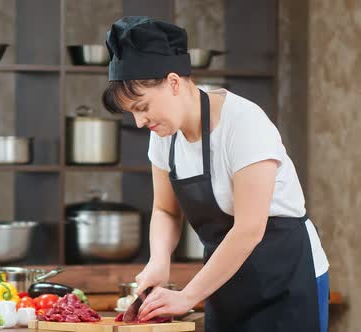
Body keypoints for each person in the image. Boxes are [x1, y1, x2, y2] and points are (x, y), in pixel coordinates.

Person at [101, 16, 329, 332]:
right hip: (224, 282)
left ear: (173, 82)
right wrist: (159, 262)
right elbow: (166, 210)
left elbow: (249, 229)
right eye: (132, 113)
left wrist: (188, 297)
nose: (140, 122)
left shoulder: (244, 124)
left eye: (142, 106)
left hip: (288, 277)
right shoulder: (164, 135)